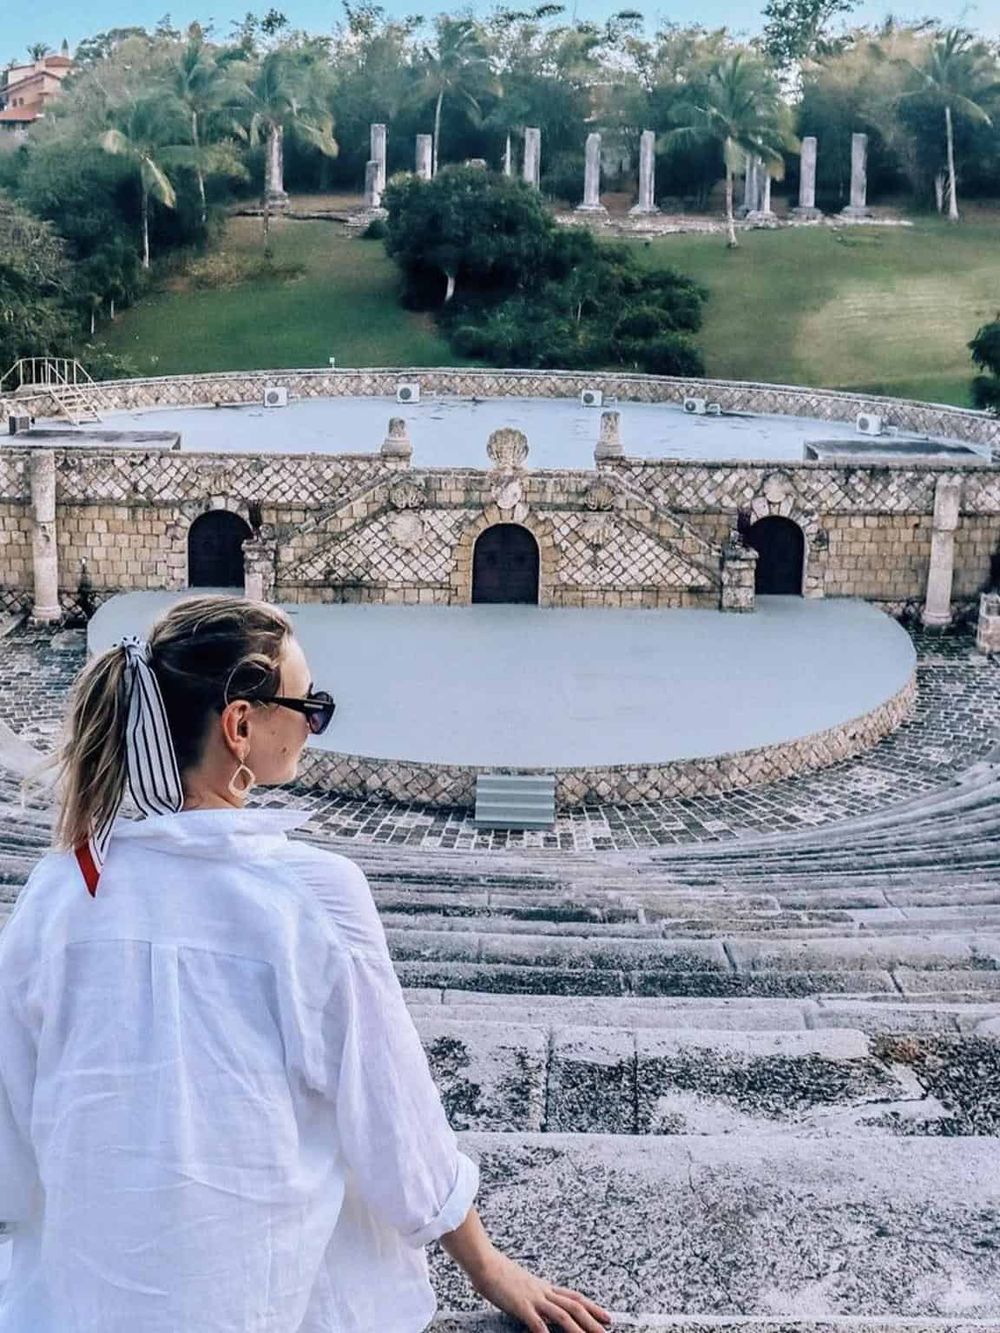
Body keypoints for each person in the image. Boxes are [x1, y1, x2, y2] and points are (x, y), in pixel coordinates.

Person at [0, 593, 612, 1333]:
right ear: (241, 723)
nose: (316, 721)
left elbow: (16, 1122)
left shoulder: (58, 890)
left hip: (76, 1305)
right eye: (309, 702)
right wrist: (489, 1265)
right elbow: (396, 1119)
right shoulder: (311, 896)